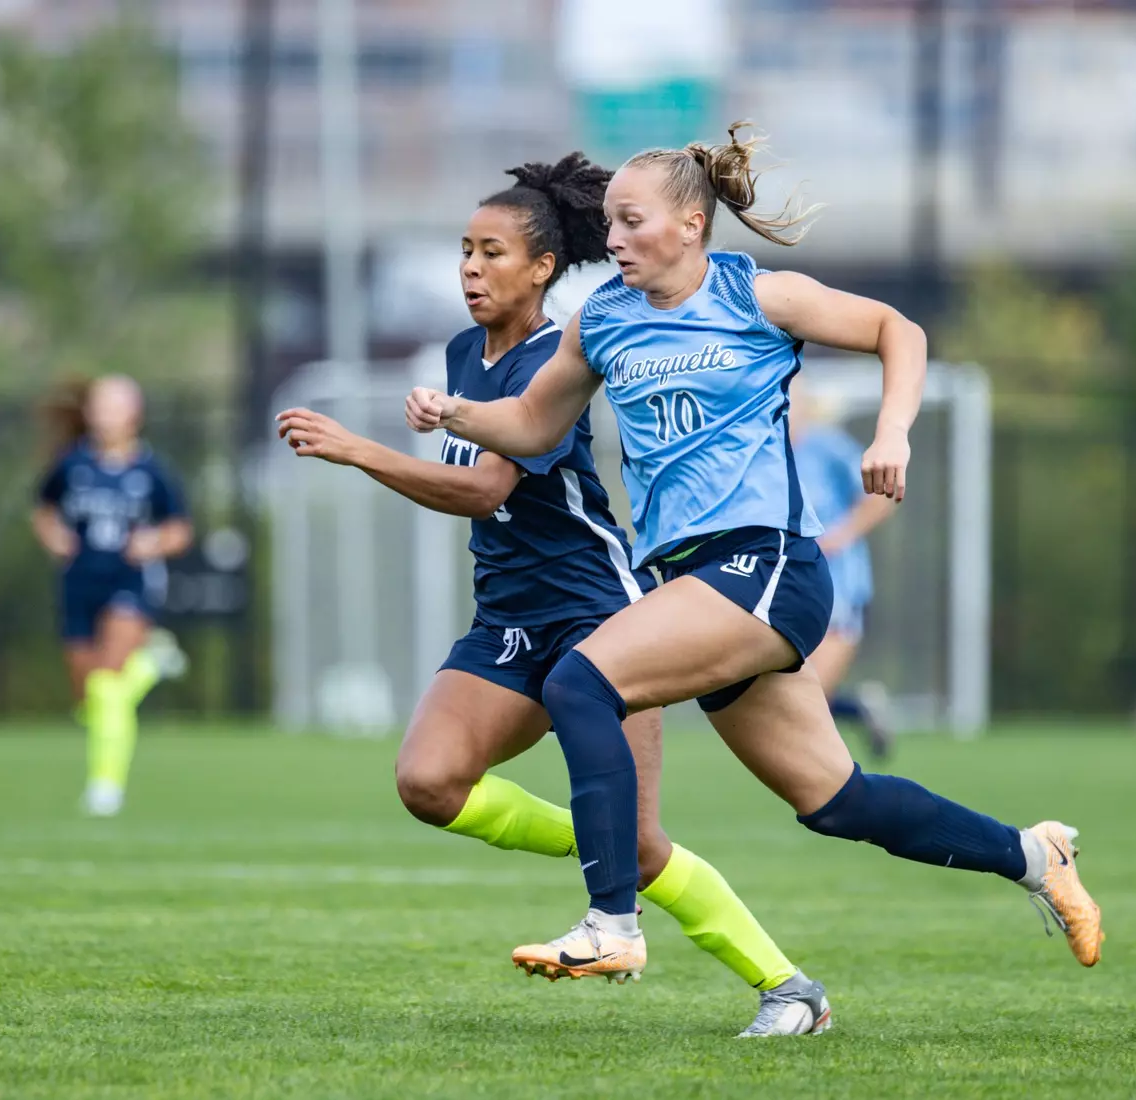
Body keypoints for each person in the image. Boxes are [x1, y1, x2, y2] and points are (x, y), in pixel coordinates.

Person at [405, 123, 1104, 988]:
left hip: (766, 564)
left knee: (579, 680)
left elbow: (899, 331)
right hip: (694, 584)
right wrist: (454, 414)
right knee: (838, 802)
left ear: (691, 226)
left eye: (630, 222)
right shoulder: (604, 322)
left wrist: (893, 433)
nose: (613, 239)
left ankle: (613, 923)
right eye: (611, 225)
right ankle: (1033, 857)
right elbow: (532, 426)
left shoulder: (755, 296)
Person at [276, 153, 831, 1037]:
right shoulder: (465, 352)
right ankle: (597, 834)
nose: (469, 267)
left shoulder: (559, 350)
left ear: (542, 269)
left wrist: (359, 450)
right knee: (428, 781)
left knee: (644, 849)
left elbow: (488, 486)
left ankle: (789, 987)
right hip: (507, 614)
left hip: (595, 611)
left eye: (492, 252)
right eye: (463, 250)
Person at [33, 375, 193, 817]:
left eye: (114, 405)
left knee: (107, 687)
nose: (104, 414)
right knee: (88, 699)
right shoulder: (72, 465)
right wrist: (53, 536)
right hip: (79, 582)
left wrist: (153, 543)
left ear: (134, 415)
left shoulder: (150, 471)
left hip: (129, 582)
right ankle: (153, 663)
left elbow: (180, 530)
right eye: (99, 405)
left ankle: (105, 787)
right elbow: (44, 510)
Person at [790, 380, 897, 758]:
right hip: (789, 586)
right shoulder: (763, 453)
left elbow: (882, 494)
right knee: (792, 696)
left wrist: (841, 534)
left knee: (807, 697)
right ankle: (858, 710)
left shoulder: (827, 447)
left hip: (838, 583)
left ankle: (842, 787)